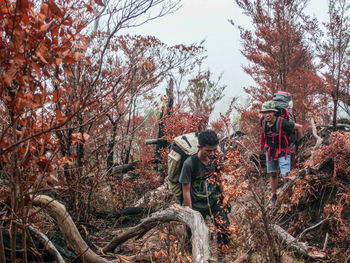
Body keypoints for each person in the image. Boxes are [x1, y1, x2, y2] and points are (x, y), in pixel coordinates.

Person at [179, 129, 230, 261]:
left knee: (224, 227)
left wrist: (224, 197)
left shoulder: (216, 159)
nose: (212, 153)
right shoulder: (189, 164)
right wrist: (190, 212)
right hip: (195, 204)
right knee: (195, 236)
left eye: (214, 150)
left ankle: (222, 257)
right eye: (208, 151)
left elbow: (218, 178)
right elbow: (185, 189)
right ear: (199, 147)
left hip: (213, 200)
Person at [260, 100, 303, 207]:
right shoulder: (263, 121)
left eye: (269, 112)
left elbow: (300, 127)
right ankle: (274, 197)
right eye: (265, 112)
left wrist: (296, 143)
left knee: (286, 175)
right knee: (273, 174)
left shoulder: (282, 122)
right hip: (270, 152)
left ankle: (290, 198)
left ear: (274, 112)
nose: (267, 114)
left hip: (284, 151)